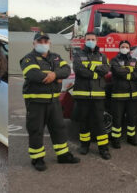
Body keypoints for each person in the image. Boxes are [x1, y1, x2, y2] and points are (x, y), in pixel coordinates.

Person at [20, 32, 80, 171]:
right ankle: (37, 158)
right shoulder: (28, 58)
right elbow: (34, 75)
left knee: (59, 128)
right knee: (36, 130)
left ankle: (63, 155)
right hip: (36, 102)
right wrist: (56, 77)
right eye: (39, 41)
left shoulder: (56, 57)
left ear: (50, 43)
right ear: (34, 43)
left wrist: (54, 74)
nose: (43, 44)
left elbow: (66, 70)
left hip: (54, 101)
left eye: (45, 41)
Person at [72, 32, 111, 160]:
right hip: (82, 95)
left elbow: (106, 69)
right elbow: (78, 69)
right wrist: (95, 73)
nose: (90, 41)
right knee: (84, 122)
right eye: (88, 39)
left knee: (100, 123)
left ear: (97, 40)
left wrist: (88, 67)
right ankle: (84, 146)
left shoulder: (102, 56)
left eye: (93, 39)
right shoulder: (78, 55)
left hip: (98, 95)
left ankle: (104, 149)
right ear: (84, 41)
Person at [110, 40, 137, 147]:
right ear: (119, 48)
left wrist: (127, 73)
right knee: (117, 119)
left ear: (129, 48)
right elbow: (117, 71)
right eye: (122, 46)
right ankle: (115, 140)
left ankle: (131, 138)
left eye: (126, 46)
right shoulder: (114, 60)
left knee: (132, 118)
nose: (125, 48)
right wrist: (130, 71)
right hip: (119, 95)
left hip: (133, 96)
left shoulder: (134, 60)